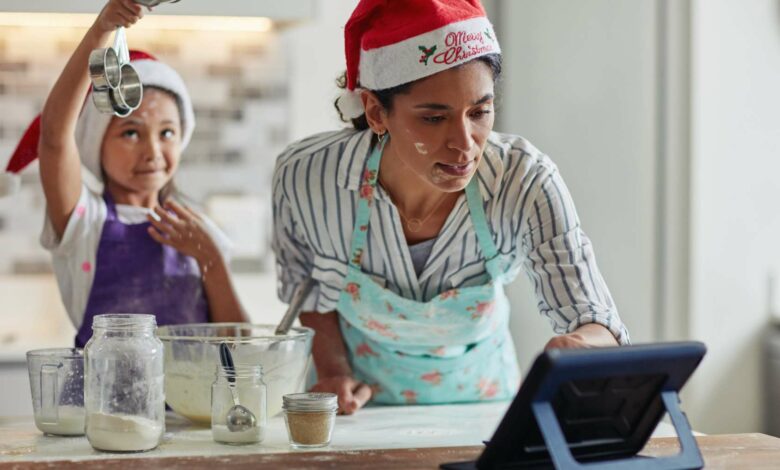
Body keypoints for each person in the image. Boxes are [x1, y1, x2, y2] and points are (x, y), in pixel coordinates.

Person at [272, 0, 630, 414]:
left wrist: (583, 343)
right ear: (375, 111)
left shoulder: (525, 180)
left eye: (480, 112)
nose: (464, 144)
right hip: (362, 417)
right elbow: (310, 292)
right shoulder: (307, 178)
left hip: (486, 414)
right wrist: (332, 370)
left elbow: (594, 316)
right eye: (433, 118)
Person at [3, 0, 246, 346]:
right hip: (99, 400)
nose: (152, 151)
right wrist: (102, 29)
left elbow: (242, 345)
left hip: (188, 402)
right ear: (96, 143)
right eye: (131, 133)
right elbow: (55, 137)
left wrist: (212, 259)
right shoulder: (85, 222)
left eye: (166, 133)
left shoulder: (199, 229)